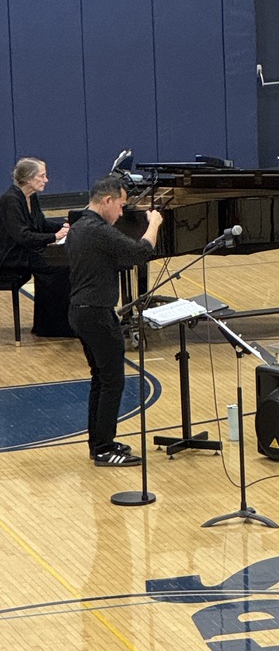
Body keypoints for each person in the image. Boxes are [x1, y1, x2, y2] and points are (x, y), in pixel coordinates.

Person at [68, 176, 163, 467]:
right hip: (96, 313)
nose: (121, 213)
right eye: (120, 205)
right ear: (107, 201)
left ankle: (98, 442)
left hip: (81, 311)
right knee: (112, 381)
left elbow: (108, 262)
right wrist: (154, 223)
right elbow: (140, 252)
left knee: (100, 379)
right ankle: (104, 448)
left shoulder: (79, 227)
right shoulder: (97, 231)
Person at [0, 157, 73, 337]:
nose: (46, 180)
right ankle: (53, 326)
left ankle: (55, 323)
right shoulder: (10, 200)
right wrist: (54, 237)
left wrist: (63, 227)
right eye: (42, 176)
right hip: (13, 257)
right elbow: (22, 236)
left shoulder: (31, 197)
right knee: (61, 267)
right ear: (29, 178)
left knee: (65, 263)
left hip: (28, 252)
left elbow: (39, 224)